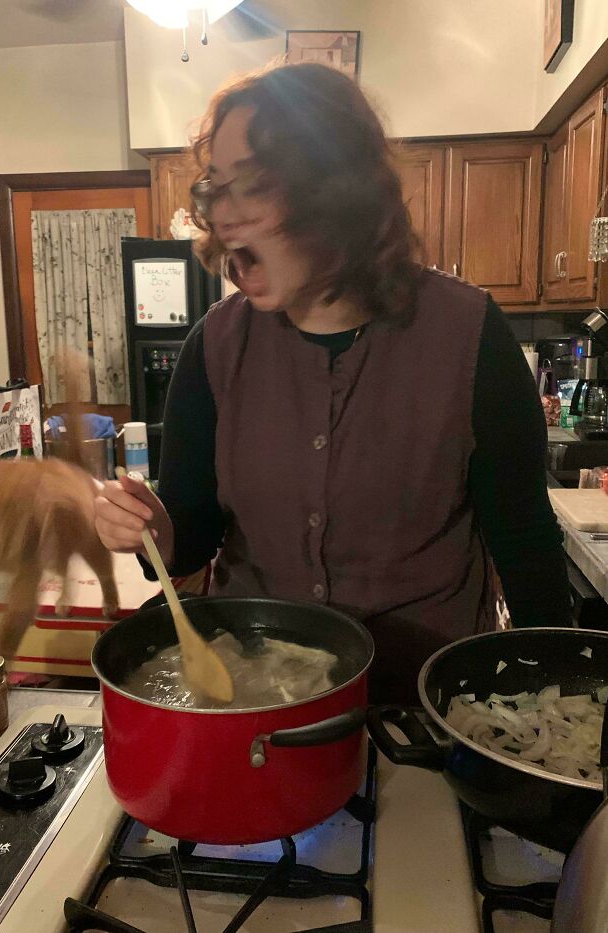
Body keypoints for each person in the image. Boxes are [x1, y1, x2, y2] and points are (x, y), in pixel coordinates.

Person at [95, 62, 572, 703]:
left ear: (338, 192)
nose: (224, 217)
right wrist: (155, 533)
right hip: (253, 703)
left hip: (424, 703)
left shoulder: (469, 333)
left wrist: (566, 693)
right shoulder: (213, 347)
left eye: (255, 185)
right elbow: (194, 534)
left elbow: (522, 538)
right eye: (217, 189)